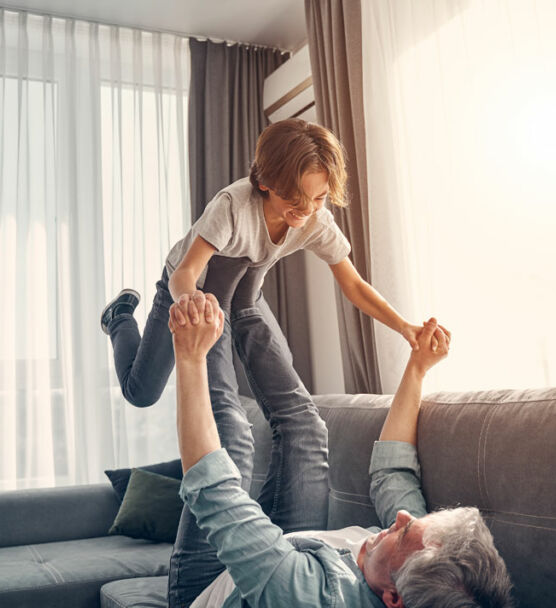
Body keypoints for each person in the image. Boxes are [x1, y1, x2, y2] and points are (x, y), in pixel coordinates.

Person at [101, 119, 447, 606]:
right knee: (153, 397)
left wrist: (406, 328)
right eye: (295, 201)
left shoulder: (315, 218)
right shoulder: (233, 205)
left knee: (306, 425)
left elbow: (352, 284)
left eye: (319, 199)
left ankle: (291, 569)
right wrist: (188, 305)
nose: (306, 213)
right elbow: (188, 270)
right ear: (265, 182)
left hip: (244, 299)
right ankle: (119, 320)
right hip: (192, 295)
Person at [168, 292, 514, 608]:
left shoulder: (311, 598)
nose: (404, 518)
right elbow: (392, 473)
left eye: (405, 530)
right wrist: (418, 367)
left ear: (393, 597)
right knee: (307, 429)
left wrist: (190, 355)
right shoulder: (416, 560)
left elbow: (214, 493)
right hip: (304, 551)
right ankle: (245, 291)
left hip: (217, 579)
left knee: (234, 436)